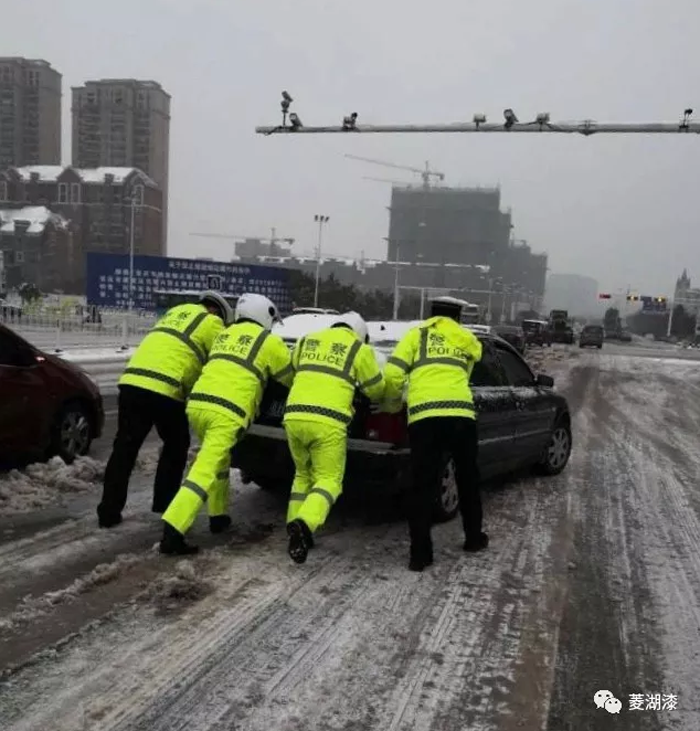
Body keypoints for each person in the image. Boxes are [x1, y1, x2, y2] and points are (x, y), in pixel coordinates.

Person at [160, 293, 293, 555]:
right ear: (264, 315)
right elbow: (288, 378)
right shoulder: (269, 341)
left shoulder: (224, 334)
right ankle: (172, 530)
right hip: (227, 411)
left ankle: (218, 516)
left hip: (199, 405)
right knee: (204, 470)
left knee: (218, 463)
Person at [97, 291, 233, 529]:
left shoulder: (174, 313)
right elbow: (222, 358)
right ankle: (165, 504)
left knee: (124, 449)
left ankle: (108, 511)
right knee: (176, 445)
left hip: (132, 382)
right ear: (215, 311)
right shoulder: (211, 322)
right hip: (166, 389)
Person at [383, 296, 487, 572]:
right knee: (468, 478)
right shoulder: (464, 338)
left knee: (422, 485)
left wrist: (393, 403)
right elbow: (465, 374)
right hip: (462, 415)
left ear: (431, 314)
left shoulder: (415, 335)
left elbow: (393, 374)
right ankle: (474, 538)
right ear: (459, 317)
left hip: (425, 417)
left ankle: (420, 555)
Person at [283, 311, 385, 564]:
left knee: (302, 475)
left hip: (293, 416)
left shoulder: (308, 339)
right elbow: (376, 389)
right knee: (329, 480)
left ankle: (293, 528)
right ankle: (305, 524)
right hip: (328, 421)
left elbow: (293, 368)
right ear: (360, 333)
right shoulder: (359, 349)